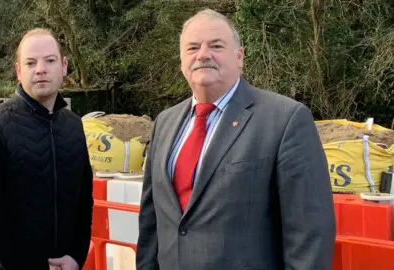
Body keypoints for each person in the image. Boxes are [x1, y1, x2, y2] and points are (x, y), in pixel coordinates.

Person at [136, 8, 336, 270]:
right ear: (181, 61)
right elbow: (151, 223)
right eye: (192, 47)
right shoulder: (164, 122)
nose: (203, 55)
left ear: (239, 57)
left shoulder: (285, 120)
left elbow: (310, 233)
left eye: (216, 46)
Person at [0, 28, 93, 270]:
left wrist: (76, 256)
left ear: (64, 66)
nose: (41, 69)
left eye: (50, 60)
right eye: (31, 62)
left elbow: (83, 199)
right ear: (18, 71)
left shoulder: (74, 125)